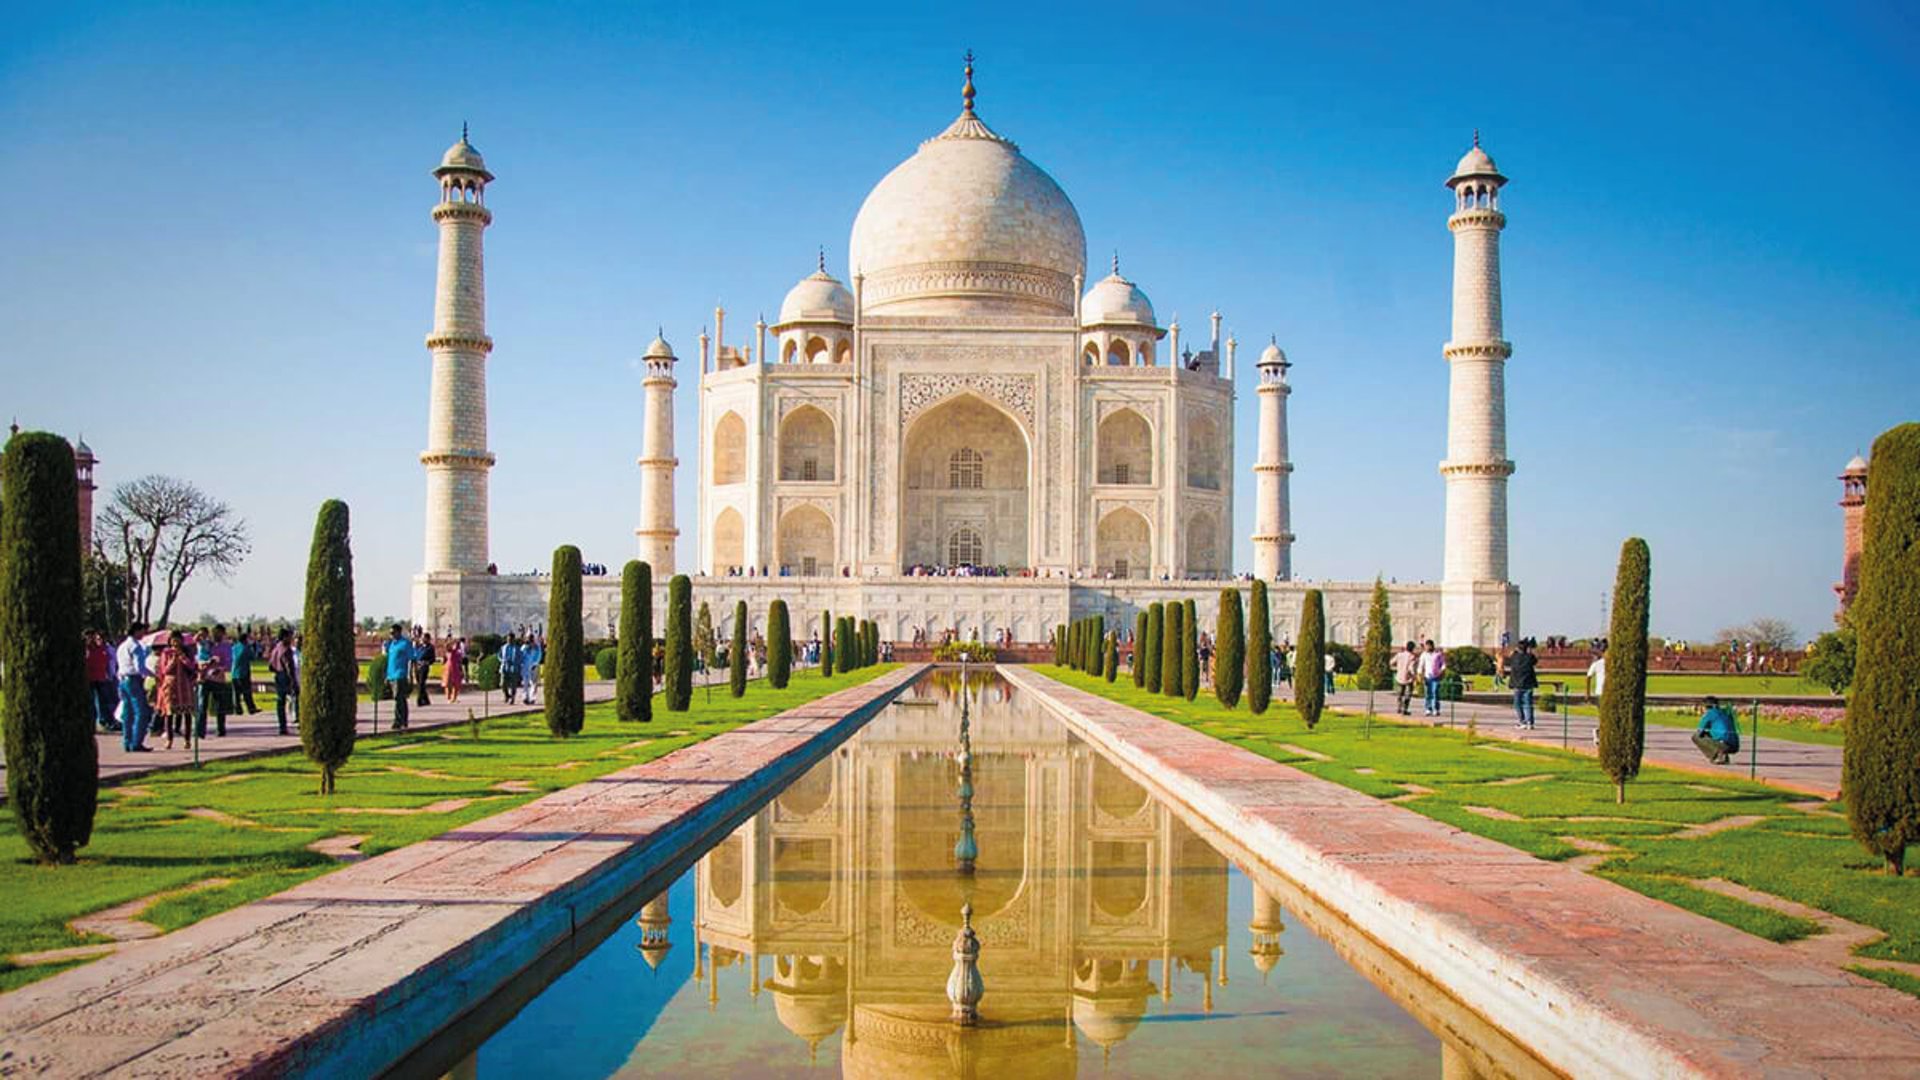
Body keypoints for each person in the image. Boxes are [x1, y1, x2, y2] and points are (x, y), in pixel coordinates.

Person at [153, 631, 199, 750]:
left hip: (184, 685)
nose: (175, 643)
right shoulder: (166, 653)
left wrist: (183, 657)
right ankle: (169, 739)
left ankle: (187, 740)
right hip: (171, 686)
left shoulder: (187, 652)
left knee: (187, 713)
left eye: (178, 640)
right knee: (169, 714)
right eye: (173, 640)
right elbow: (164, 670)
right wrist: (173, 661)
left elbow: (192, 667)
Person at [115, 623, 153, 751]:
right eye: (142, 631)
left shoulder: (122, 646)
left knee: (128, 713)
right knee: (141, 712)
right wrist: (154, 675)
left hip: (123, 679)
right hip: (133, 679)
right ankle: (136, 742)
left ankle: (127, 741)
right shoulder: (136, 646)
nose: (143, 634)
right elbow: (140, 667)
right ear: (136, 631)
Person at [195, 624, 234, 738]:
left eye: (218, 633)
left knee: (220, 706)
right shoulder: (207, 645)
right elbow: (198, 652)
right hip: (204, 678)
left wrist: (219, 668)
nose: (216, 635)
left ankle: (221, 729)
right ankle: (199, 731)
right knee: (202, 705)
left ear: (223, 634)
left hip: (218, 679)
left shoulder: (226, 647)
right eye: (214, 633)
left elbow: (228, 664)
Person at [84, 630, 120, 733]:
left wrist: (109, 674)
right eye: (95, 638)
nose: (96, 640)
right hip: (90, 679)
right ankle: (95, 722)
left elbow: (109, 663)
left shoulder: (103, 649)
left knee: (103, 702)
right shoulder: (87, 650)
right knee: (93, 702)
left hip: (101, 678)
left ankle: (104, 721)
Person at [384, 623, 417, 730]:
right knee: (398, 698)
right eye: (390, 633)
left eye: (393, 633)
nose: (391, 635)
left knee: (399, 698)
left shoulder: (405, 644)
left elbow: (411, 659)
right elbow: (390, 661)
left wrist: (410, 675)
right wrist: (387, 675)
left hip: (400, 674)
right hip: (392, 675)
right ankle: (402, 720)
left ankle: (399, 721)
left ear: (399, 632)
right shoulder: (392, 644)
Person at [268, 627, 299, 735]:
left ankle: (282, 726)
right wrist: (293, 681)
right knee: (297, 698)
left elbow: (270, 666)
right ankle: (299, 720)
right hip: (285, 676)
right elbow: (289, 666)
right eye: (290, 636)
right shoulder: (286, 650)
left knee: (280, 702)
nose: (291, 639)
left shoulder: (276, 648)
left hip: (278, 675)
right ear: (285, 637)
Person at [1694, 697, 1741, 764]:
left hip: (1724, 745)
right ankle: (1723, 755)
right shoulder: (1725, 712)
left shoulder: (1710, 713)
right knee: (1714, 734)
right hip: (1735, 746)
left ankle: (1717, 756)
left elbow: (1699, 731)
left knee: (1696, 737)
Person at [1507, 637, 1539, 730]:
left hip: (1517, 684)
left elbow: (1510, 657)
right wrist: (1530, 650)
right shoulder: (1530, 657)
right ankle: (1530, 722)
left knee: (1518, 704)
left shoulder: (1514, 657)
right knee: (1528, 704)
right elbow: (1535, 660)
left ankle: (1522, 721)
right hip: (1528, 684)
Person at [231, 629, 262, 715]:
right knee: (247, 692)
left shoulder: (234, 647)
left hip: (234, 673)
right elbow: (253, 657)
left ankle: (237, 709)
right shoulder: (246, 648)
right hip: (244, 672)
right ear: (245, 640)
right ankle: (251, 708)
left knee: (236, 694)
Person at [1390, 641, 1419, 716]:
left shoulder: (1399, 655)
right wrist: (1415, 676)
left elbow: (1391, 662)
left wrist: (1397, 668)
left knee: (1400, 694)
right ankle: (1405, 709)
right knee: (1408, 694)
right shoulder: (1412, 657)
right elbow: (1411, 668)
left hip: (1399, 676)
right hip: (1408, 678)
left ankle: (1399, 707)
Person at [1420, 639, 1447, 717]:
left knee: (1435, 693)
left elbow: (1443, 664)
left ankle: (1436, 709)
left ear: (1432, 646)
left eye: (1428, 646)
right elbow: (1421, 665)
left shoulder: (1438, 655)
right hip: (1427, 677)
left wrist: (1441, 671)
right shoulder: (1424, 655)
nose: (1427, 647)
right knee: (1428, 693)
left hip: (1436, 676)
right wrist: (1420, 675)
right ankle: (1428, 709)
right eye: (1426, 646)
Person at [413, 630, 436, 708]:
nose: (422, 639)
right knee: (420, 684)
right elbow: (415, 655)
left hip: (424, 667)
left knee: (421, 683)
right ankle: (426, 699)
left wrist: (427, 662)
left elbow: (433, 659)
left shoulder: (430, 648)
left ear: (428, 639)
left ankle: (419, 700)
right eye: (422, 638)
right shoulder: (420, 646)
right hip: (417, 666)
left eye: (424, 638)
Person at [520, 634, 543, 705]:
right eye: (529, 639)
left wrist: (535, 664)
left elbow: (539, 656)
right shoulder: (524, 647)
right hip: (525, 667)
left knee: (534, 683)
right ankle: (525, 698)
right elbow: (521, 656)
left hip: (534, 667)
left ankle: (532, 698)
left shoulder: (536, 647)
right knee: (525, 683)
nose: (530, 640)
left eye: (531, 639)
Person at [500, 635, 522, 704]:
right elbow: (499, 655)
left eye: (511, 639)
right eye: (508, 639)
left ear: (513, 640)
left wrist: (516, 663)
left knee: (513, 685)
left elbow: (520, 658)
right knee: (502, 684)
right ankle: (506, 695)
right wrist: (503, 660)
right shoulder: (503, 647)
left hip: (514, 669)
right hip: (505, 667)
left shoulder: (517, 648)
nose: (509, 640)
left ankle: (512, 698)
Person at [444, 638, 466, 704]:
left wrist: (461, 670)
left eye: (457, 644)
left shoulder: (458, 653)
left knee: (456, 684)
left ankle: (454, 698)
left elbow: (460, 662)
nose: (455, 645)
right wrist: (449, 641)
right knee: (447, 684)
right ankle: (448, 698)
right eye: (454, 644)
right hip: (448, 668)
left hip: (456, 669)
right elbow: (447, 647)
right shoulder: (449, 651)